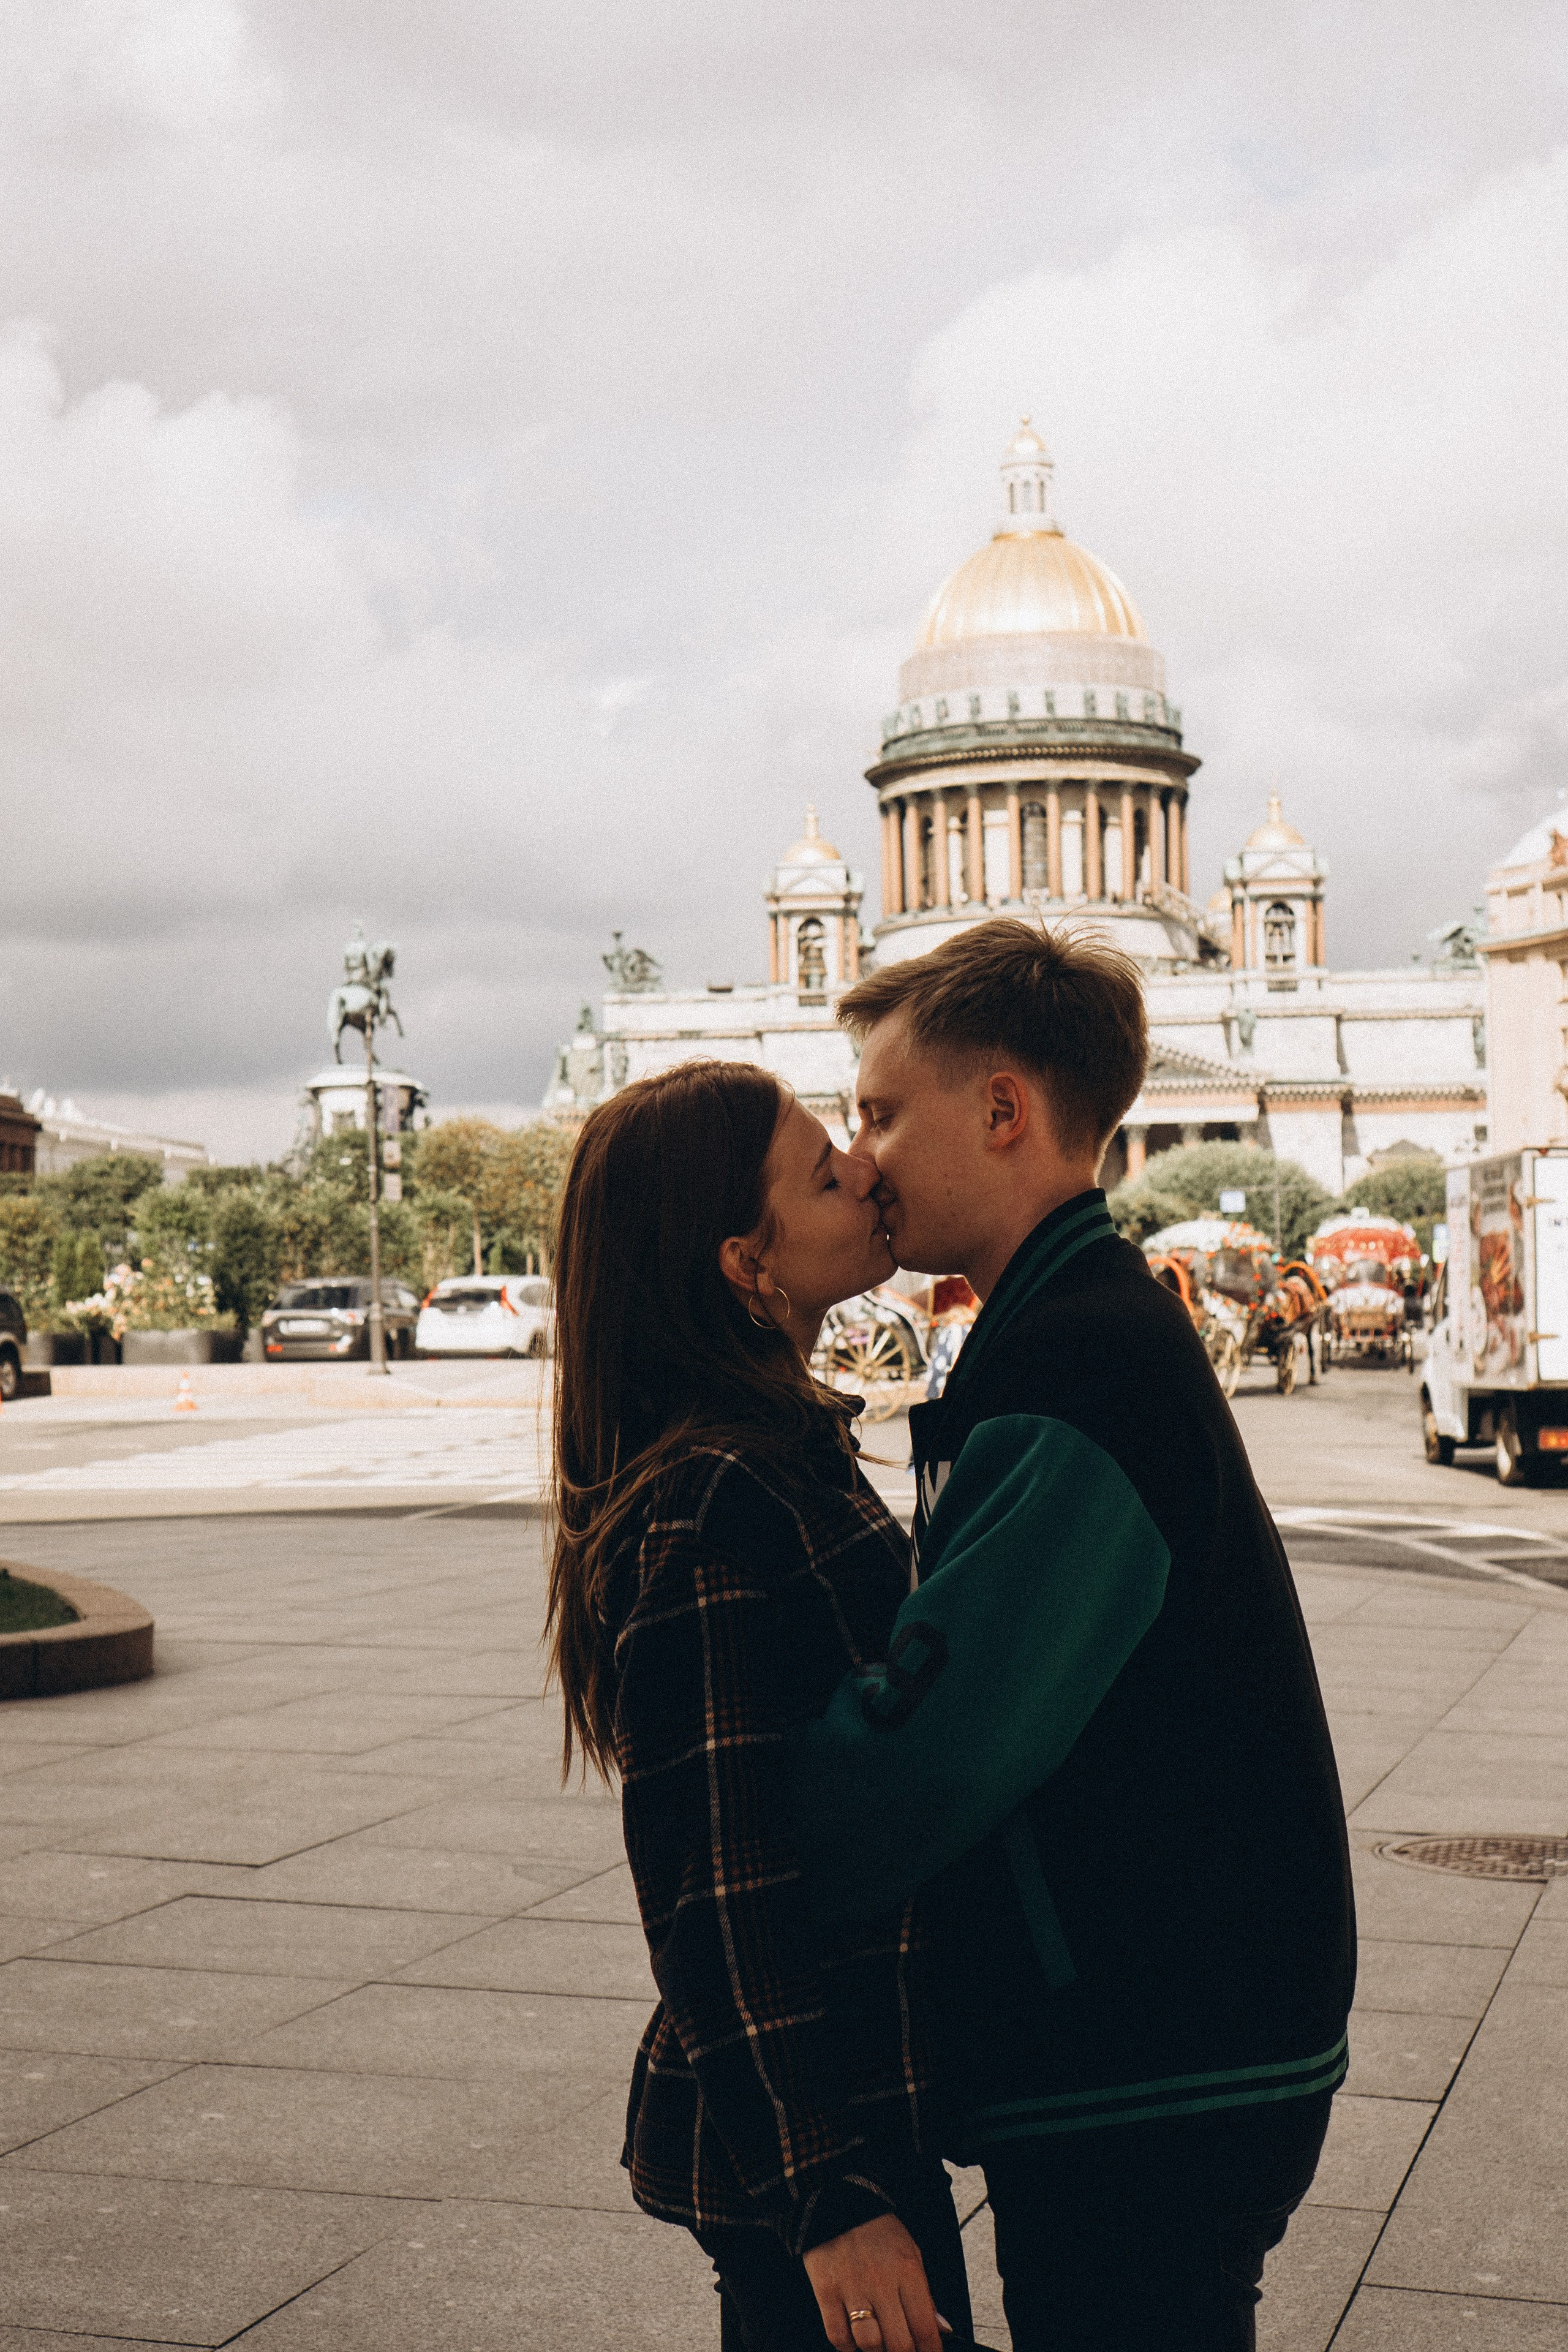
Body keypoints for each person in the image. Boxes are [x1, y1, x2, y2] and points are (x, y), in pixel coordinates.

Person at [790, 919, 1356, 2352]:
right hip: (1179, 2026)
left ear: (1001, 1110)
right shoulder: (1074, 1327)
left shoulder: (1072, 1363)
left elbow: (932, 1754)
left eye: (879, 1114)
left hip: (1145, 2052)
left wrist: (749, 1807)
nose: (859, 1158)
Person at [545, 1061, 980, 2352]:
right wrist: (825, 2192)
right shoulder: (716, 1496)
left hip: (849, 2105)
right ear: (749, 1264)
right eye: (825, 1173)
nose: (866, 1170)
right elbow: (711, 1879)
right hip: (820, 2136)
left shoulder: (769, 1451)